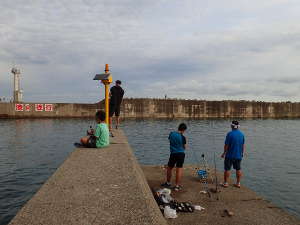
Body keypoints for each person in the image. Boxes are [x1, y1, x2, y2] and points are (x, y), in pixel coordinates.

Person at [161, 123, 187, 191]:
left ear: (178, 127)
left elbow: (170, 140)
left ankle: (168, 183)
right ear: (184, 130)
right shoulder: (183, 137)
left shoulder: (171, 134)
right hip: (181, 154)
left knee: (169, 168)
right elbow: (184, 147)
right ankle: (177, 186)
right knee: (179, 169)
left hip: (173, 153)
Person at [221, 120, 245, 188]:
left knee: (227, 169)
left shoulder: (229, 134)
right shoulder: (242, 134)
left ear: (232, 126)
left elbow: (226, 145)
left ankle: (225, 183)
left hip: (229, 155)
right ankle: (238, 183)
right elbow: (243, 145)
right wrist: (242, 153)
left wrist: (224, 153)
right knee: (238, 169)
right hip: (238, 155)